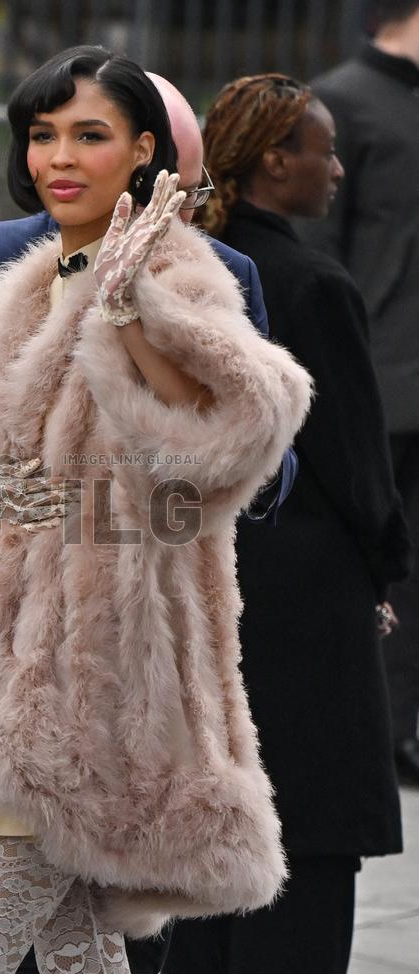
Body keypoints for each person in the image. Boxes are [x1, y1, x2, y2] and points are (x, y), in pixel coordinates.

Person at [0, 45, 311, 974]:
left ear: (144, 155)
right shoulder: (26, 278)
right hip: (14, 658)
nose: (58, 157)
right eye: (43, 135)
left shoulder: (180, 273)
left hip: (101, 677)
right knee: (79, 961)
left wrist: (131, 314)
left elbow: (232, 440)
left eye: (90, 135)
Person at [161, 73, 411, 974]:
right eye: (323, 148)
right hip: (303, 595)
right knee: (308, 852)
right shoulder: (312, 283)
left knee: (212, 866)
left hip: (196, 579)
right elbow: (355, 460)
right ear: (276, 159)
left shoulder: (185, 265)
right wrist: (386, 570)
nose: (338, 168)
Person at [299, 0, 419, 785]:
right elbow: (315, 264)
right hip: (379, 388)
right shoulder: (340, 99)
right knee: (376, 569)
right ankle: (378, 735)